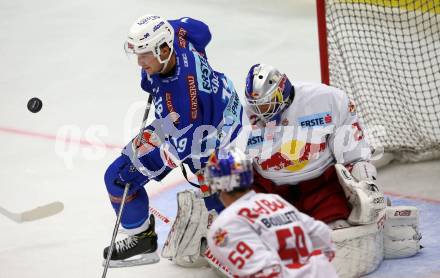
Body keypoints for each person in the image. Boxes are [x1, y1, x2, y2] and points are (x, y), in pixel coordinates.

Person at [102, 15, 243, 266]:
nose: (139, 62)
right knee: (211, 179)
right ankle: (229, 218)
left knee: (118, 177)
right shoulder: (176, 35)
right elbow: (202, 30)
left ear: (164, 50)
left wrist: (136, 167)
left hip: (200, 132)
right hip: (225, 106)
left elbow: (178, 149)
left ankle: (143, 240)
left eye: (145, 54)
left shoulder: (180, 100)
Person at [243, 63, 378, 228]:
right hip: (271, 193)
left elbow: (354, 154)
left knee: (338, 229)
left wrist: (366, 184)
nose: (260, 111)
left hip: (320, 186)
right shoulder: (243, 116)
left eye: (265, 104)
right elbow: (234, 163)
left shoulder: (327, 100)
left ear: (282, 91)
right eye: (255, 105)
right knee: (250, 230)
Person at [205, 146, 338, 278]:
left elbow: (265, 273)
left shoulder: (223, 227)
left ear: (215, 184)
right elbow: (323, 233)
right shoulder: (274, 201)